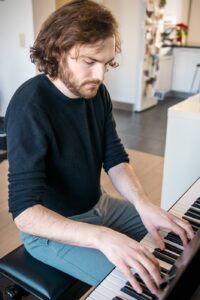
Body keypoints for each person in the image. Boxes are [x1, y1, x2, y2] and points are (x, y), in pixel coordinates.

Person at [5, 0, 194, 296]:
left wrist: (143, 204)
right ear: (58, 53)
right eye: (90, 62)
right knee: (144, 283)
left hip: (100, 205)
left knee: (184, 241)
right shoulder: (29, 106)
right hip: (50, 232)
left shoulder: (97, 93)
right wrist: (101, 237)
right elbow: (25, 212)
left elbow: (115, 158)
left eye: (106, 64)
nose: (101, 76)